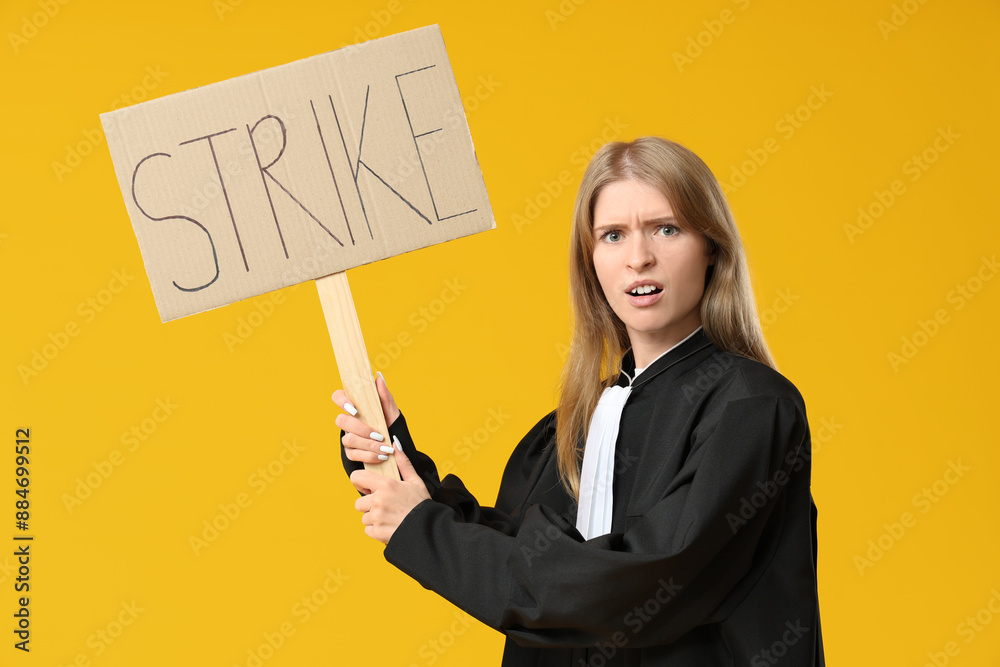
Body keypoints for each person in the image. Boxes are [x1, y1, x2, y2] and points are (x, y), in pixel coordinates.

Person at [335, 136, 824, 665]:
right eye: (613, 235)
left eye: (666, 228)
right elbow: (527, 564)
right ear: (590, 261)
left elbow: (638, 585)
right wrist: (397, 464)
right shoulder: (573, 426)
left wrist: (424, 531)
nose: (639, 258)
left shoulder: (751, 409)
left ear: (711, 246)